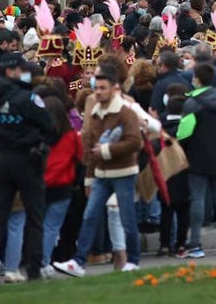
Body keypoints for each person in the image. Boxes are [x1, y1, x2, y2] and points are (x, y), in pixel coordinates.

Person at [53, 65, 141, 278]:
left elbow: (134, 141)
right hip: (100, 174)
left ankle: (133, 260)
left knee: (127, 218)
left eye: (102, 87)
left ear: (113, 88)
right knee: (90, 215)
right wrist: (89, 178)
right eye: (97, 87)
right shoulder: (94, 112)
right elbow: (90, 145)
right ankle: (79, 261)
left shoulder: (125, 112)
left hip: (122, 172)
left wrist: (108, 150)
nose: (98, 91)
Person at [0, 53, 54, 285]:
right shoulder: (26, 97)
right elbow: (49, 125)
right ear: (12, 71)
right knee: (34, 215)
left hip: (1, 159)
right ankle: (33, 267)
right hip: (27, 159)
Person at [177, 62, 216, 258]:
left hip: (198, 157)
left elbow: (183, 133)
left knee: (198, 198)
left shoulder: (193, 103)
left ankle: (196, 244)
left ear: (197, 80)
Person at [39, 95, 82, 276]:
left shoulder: (36, 134)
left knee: (37, 225)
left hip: (39, 184)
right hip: (63, 184)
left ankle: (35, 259)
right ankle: (43, 261)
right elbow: (80, 157)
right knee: (51, 226)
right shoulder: (71, 135)